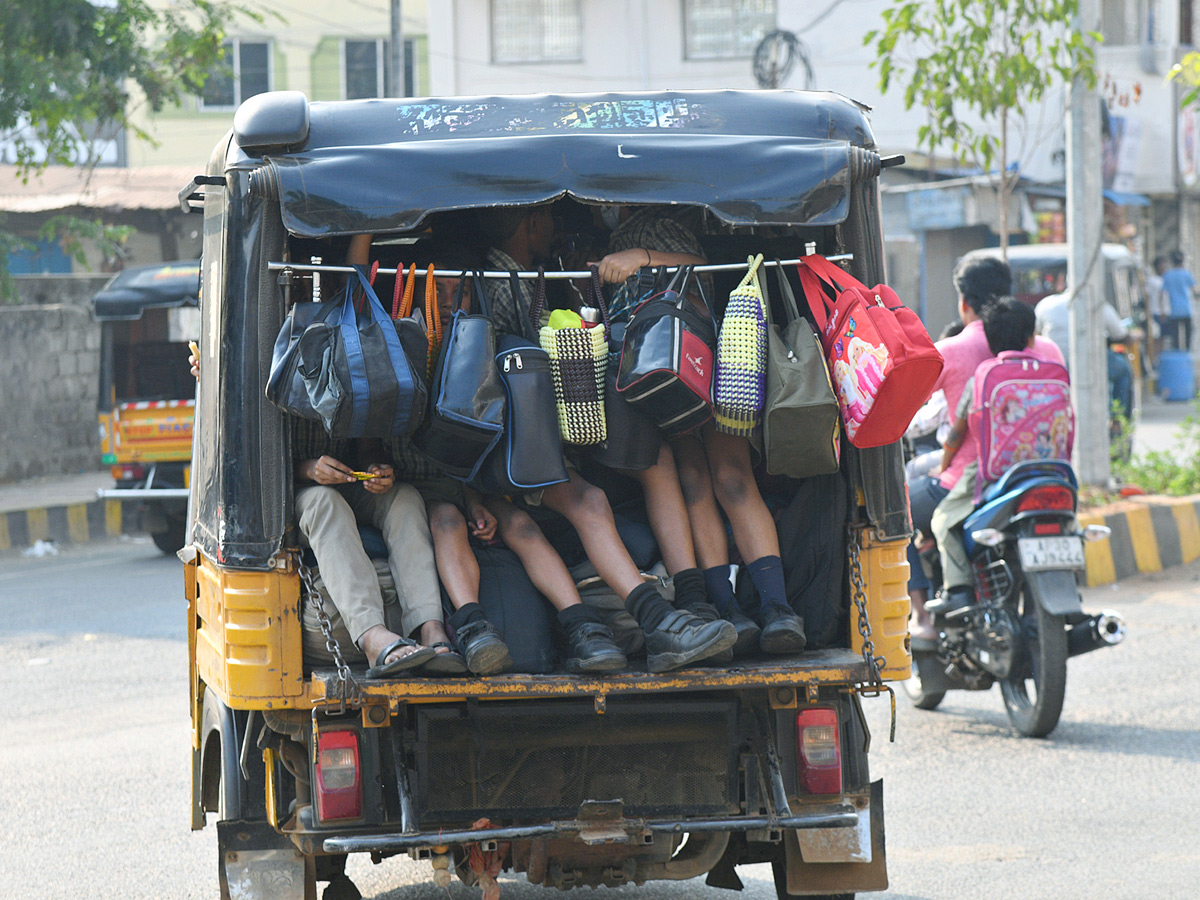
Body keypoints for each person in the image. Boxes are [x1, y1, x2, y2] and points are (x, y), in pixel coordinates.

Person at [346, 234, 628, 675]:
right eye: (436, 291)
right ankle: (474, 626)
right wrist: (375, 469)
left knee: (520, 525)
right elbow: (370, 442)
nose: (446, 302)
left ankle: (581, 625)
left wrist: (478, 497)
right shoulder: (395, 346)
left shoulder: (480, 349)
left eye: (457, 292)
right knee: (446, 521)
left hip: (476, 479)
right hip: (423, 487)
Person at [476, 205, 738, 673]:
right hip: (502, 450)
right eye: (551, 218)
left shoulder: (519, 276)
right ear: (533, 222)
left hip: (531, 436)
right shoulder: (498, 282)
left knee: (653, 456)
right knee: (590, 500)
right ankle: (662, 622)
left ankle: (693, 600)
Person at [596, 204, 806, 655]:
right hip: (655, 365)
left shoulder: (664, 225)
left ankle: (777, 608)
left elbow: (700, 269)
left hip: (703, 352)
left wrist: (642, 256)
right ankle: (729, 609)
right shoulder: (621, 231)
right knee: (693, 482)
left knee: (731, 478)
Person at [190, 337, 448, 678]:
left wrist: (375, 469)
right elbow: (261, 458)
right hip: (289, 491)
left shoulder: (352, 347)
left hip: (347, 481)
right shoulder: (269, 353)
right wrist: (309, 469)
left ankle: (429, 628)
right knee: (326, 503)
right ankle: (372, 636)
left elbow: (368, 443)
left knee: (404, 498)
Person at [905, 256, 1064, 643]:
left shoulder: (951, 349)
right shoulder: (1047, 349)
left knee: (898, 510)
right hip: (1042, 470)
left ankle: (921, 615)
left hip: (975, 476)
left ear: (964, 303)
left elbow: (914, 409)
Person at [929, 296, 1069, 613]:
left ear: (989, 340)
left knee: (943, 522)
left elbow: (956, 434)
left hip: (993, 471)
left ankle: (959, 590)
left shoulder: (983, 375)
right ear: (1032, 337)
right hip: (1049, 469)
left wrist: (945, 463)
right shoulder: (1054, 369)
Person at [1034, 289, 1135, 423]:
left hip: (1055, 366)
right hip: (1091, 364)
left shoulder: (1046, 304)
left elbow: (1036, 334)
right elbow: (1121, 335)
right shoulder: (1098, 305)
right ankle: (1117, 420)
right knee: (1123, 369)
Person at [1160, 250, 1196, 351]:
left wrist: (1162, 310)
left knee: (1175, 338)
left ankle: (1177, 357)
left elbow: (1162, 294)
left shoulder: (1167, 275)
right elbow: (1194, 290)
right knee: (1188, 336)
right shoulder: (1186, 274)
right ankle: (1187, 356)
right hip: (1186, 309)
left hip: (1174, 310)